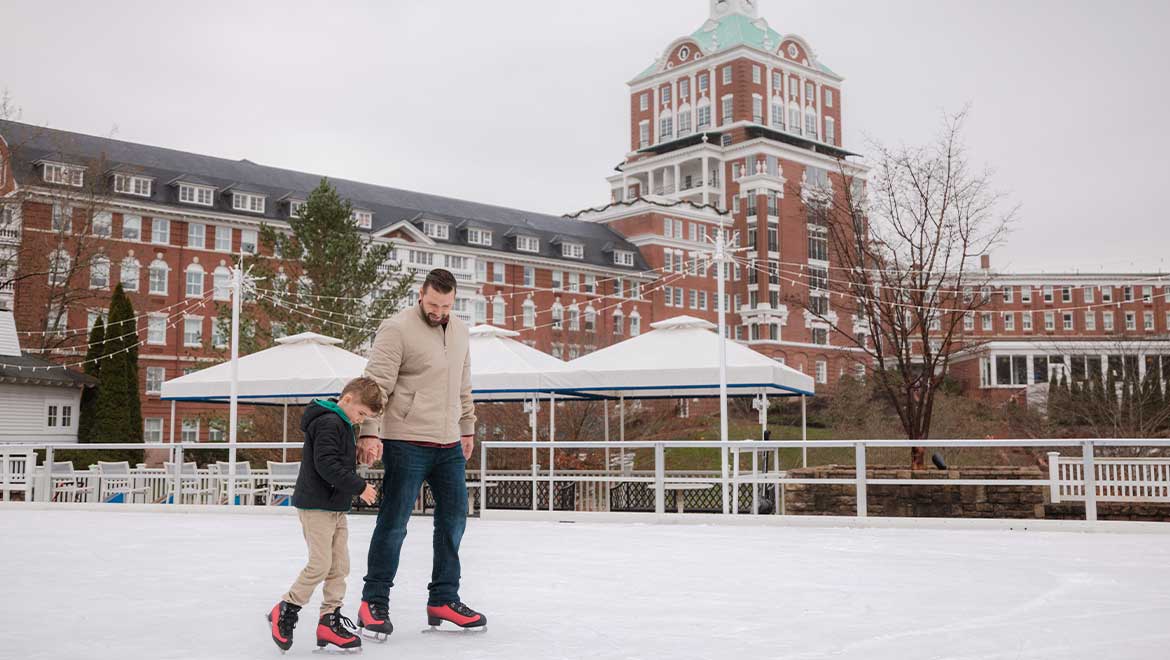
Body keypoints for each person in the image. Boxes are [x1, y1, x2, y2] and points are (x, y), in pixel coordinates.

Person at [354, 267, 486, 640]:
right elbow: (375, 385)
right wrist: (368, 432)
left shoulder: (459, 331)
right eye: (433, 304)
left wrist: (467, 427)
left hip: (448, 446)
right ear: (420, 295)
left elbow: (463, 385)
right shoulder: (396, 328)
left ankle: (444, 598)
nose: (438, 312)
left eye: (445, 306)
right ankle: (373, 601)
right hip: (406, 440)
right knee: (394, 522)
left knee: (454, 521)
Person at [267, 377, 382, 653]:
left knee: (339, 566)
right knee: (320, 564)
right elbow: (326, 465)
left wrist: (354, 455)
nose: (360, 421)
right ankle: (286, 608)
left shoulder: (340, 422)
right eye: (361, 414)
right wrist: (360, 487)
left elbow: (333, 457)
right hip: (317, 505)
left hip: (334, 506)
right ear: (348, 400)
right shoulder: (328, 422)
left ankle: (329, 620)